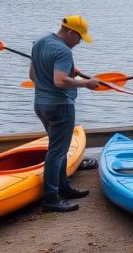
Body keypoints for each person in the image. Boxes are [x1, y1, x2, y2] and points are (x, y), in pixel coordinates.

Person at [29, 15, 99, 213]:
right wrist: (85, 83)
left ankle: (64, 187)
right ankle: (51, 198)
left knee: (57, 148)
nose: (79, 42)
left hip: (41, 104)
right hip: (60, 106)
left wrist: (68, 72)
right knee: (57, 151)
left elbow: (33, 76)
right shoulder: (63, 51)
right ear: (70, 32)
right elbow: (60, 81)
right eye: (79, 38)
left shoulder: (39, 44)